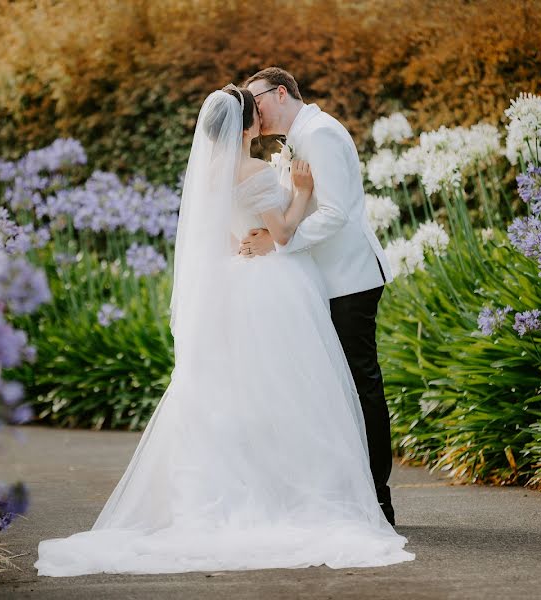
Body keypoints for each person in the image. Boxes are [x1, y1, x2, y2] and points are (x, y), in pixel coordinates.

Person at [34, 85, 413, 576]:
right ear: (246, 124)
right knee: (296, 392)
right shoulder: (255, 168)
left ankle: (269, 491)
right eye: (252, 109)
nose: (259, 114)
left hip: (241, 283)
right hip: (275, 284)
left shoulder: (212, 174)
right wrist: (297, 193)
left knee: (248, 395)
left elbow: (235, 234)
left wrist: (258, 234)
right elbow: (281, 234)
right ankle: (314, 493)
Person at [242, 67, 397, 526]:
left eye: (258, 100)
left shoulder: (323, 133)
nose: (255, 111)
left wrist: (280, 241)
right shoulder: (300, 137)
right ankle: (351, 496)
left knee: (361, 387)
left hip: (348, 279)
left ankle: (378, 500)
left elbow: (337, 213)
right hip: (322, 281)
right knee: (334, 391)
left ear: (282, 93)